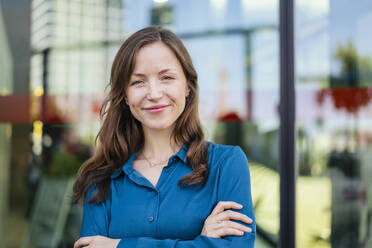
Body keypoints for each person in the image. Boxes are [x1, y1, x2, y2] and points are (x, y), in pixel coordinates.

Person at [73, 26, 256, 248]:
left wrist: (117, 245)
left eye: (166, 77)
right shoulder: (102, 178)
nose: (154, 93)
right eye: (138, 82)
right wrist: (201, 242)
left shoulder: (226, 164)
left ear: (188, 87)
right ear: (125, 95)